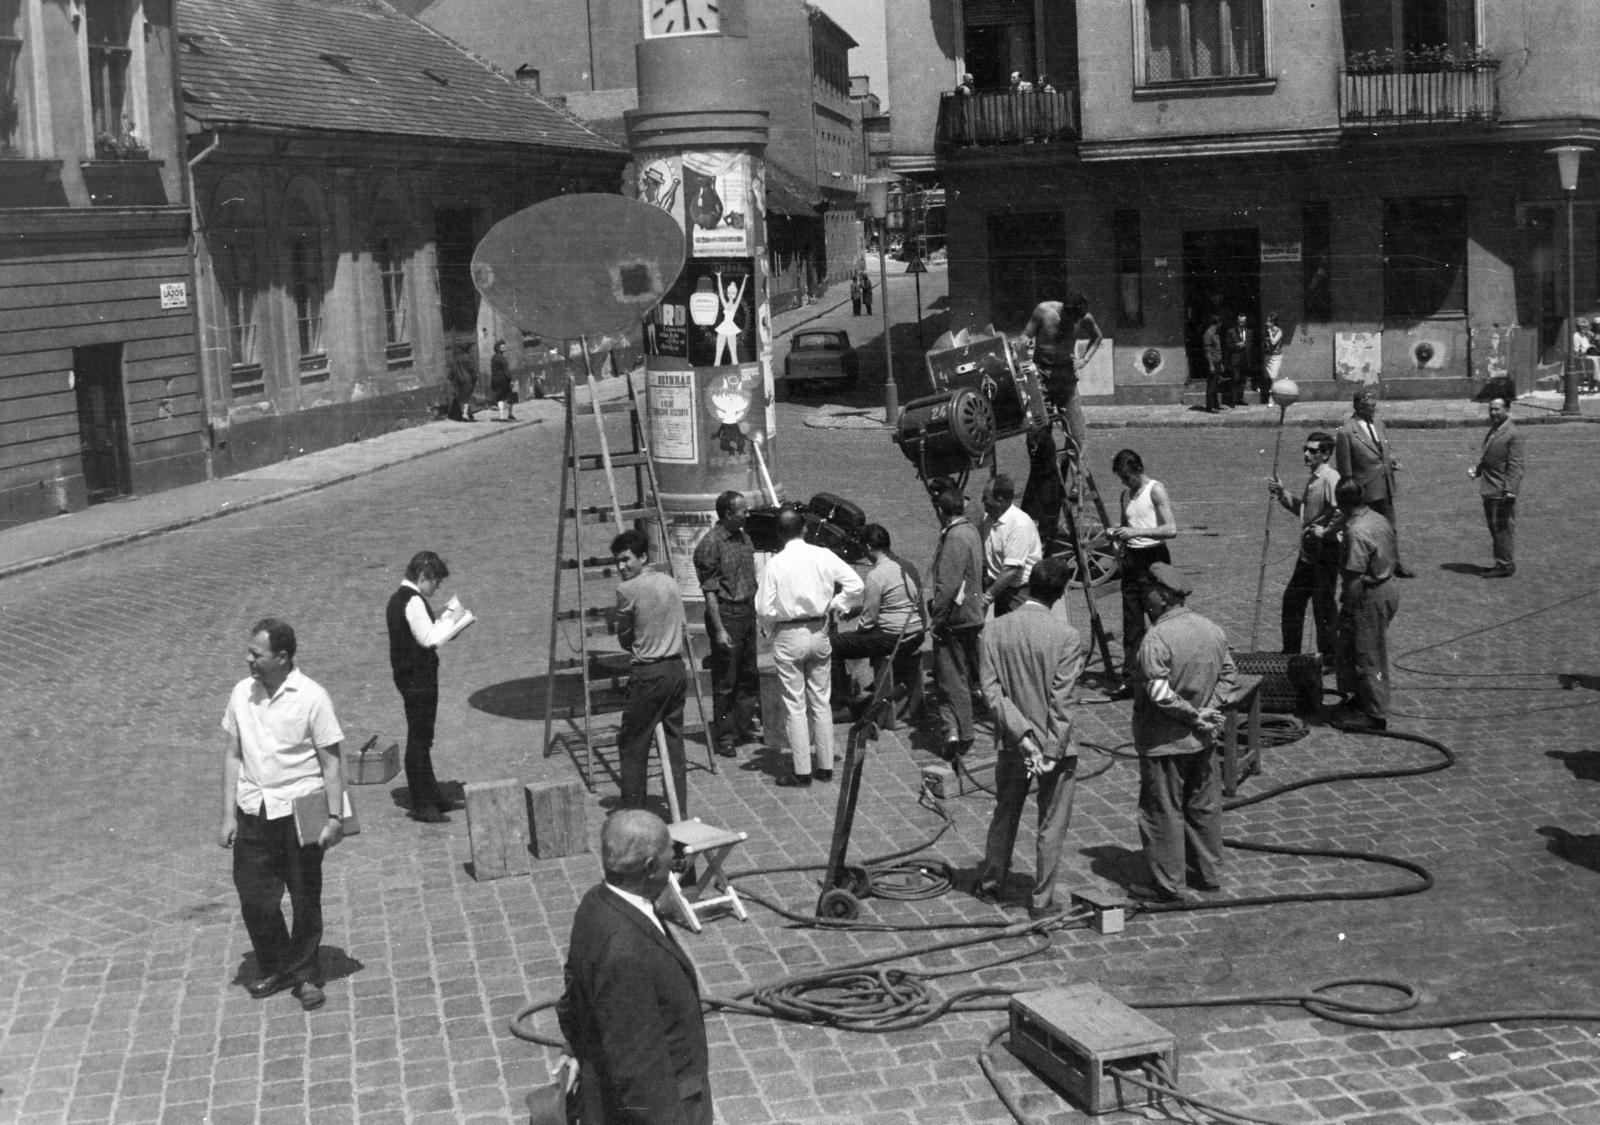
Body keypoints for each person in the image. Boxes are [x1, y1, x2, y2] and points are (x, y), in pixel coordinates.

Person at [555, 810, 712, 1125]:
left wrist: (575, 1045)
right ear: (651, 867)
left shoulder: (593, 905)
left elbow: (575, 992)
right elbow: (640, 1072)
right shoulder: (625, 952)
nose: (677, 859)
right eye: (672, 852)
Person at [219, 618, 345, 1011]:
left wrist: (335, 818)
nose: (248, 659)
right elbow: (233, 755)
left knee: (305, 895)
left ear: (283, 658)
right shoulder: (242, 693)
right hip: (253, 810)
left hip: (300, 809)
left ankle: (306, 973)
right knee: (255, 897)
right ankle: (275, 965)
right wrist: (227, 815)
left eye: (257, 654)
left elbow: (331, 762)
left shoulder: (312, 697)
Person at [974, 558, 1085, 920]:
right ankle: (1041, 900)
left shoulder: (994, 631)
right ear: (1061, 592)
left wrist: (1022, 738)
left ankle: (991, 883)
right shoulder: (1066, 636)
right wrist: (1049, 750)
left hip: (1011, 742)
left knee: (1005, 811)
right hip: (1058, 749)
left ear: (1027, 587)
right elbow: (1062, 700)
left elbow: (991, 694)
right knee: (1051, 823)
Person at [1128, 564, 1236, 903]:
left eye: (1148, 593)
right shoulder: (1212, 630)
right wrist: (1207, 712)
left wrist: (1191, 715)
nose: (1144, 600)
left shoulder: (1155, 639)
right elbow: (1231, 677)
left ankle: (1168, 885)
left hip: (1165, 743)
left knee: (1162, 811)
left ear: (1163, 596)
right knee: (1203, 808)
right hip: (1202, 742)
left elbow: (1158, 693)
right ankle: (1209, 875)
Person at [755, 508, 863, 788]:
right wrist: (835, 606)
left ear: (778, 534)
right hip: (819, 630)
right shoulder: (823, 555)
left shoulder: (775, 564)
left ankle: (802, 770)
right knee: (821, 701)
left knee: (795, 704)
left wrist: (769, 627)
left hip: (790, 633)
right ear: (804, 530)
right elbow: (855, 583)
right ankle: (825, 765)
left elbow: (764, 607)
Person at [612, 529, 691, 814]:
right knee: (674, 745)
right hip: (676, 671)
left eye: (626, 560)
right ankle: (679, 809)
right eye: (618, 562)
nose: (621, 568)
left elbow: (624, 638)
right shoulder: (670, 582)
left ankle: (634, 814)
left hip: (649, 675)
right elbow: (680, 624)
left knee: (633, 746)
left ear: (643, 557)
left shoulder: (626, 590)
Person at [386, 550, 459, 823]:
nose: (437, 587)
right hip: (418, 677)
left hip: (410, 676)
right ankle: (423, 803)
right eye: (436, 581)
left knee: (422, 738)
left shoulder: (399, 599)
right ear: (423, 576)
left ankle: (433, 796)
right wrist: (453, 624)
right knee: (419, 739)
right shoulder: (413, 600)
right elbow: (428, 638)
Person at [829, 524, 925, 712]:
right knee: (863, 637)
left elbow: (868, 622)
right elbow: (895, 603)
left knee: (833, 643)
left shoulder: (876, 575)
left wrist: (856, 633)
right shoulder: (908, 566)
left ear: (869, 548)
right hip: (916, 633)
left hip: (894, 638)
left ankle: (841, 703)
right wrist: (857, 610)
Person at [693, 491, 759, 758]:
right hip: (727, 615)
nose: (747, 514)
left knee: (748, 674)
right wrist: (719, 629)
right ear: (728, 514)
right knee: (726, 680)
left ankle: (742, 727)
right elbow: (709, 592)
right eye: (742, 511)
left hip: (747, 612)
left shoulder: (744, 538)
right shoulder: (710, 544)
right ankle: (724, 735)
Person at [1332, 478, 1399, 732]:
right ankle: (1362, 698)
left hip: (1370, 595)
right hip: (1386, 588)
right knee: (1359, 649)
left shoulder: (1356, 531)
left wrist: (1347, 611)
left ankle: (1375, 715)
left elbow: (1355, 579)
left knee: (1370, 657)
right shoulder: (1376, 517)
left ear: (1341, 503)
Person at [1267, 431, 1341, 664]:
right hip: (1310, 549)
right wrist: (1282, 493)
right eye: (1305, 450)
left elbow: (1343, 510)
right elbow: (1305, 512)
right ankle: (1291, 652)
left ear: (1326, 454)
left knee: (1323, 604)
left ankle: (1329, 657)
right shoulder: (1315, 478)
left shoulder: (1330, 478)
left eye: (1313, 451)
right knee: (1293, 599)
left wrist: (1326, 531)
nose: (1307, 454)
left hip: (1325, 550)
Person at [1106, 449, 1176, 691]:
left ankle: (1168, 672)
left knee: (1160, 617)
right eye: (1121, 478)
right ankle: (1132, 679)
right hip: (1132, 560)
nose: (1125, 482)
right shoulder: (1126, 495)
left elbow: (1170, 529)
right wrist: (1117, 533)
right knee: (1132, 622)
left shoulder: (1155, 489)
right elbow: (1128, 526)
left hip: (1154, 558)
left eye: (1127, 477)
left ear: (1138, 470)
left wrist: (1136, 533)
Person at [928, 488, 986, 758]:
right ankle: (951, 728)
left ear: (941, 511)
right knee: (956, 676)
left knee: (952, 678)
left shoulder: (954, 537)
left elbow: (948, 585)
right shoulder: (972, 530)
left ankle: (963, 733)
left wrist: (936, 617)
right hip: (972, 614)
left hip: (954, 619)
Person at [1336, 389, 1413, 578]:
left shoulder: (1379, 425)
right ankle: (1371, 567)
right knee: (1366, 530)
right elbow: (1345, 470)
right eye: (1371, 406)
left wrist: (1392, 460)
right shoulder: (1347, 432)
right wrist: (1351, 495)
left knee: (1389, 527)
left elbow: (1384, 449)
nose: (1375, 409)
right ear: (1360, 407)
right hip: (1364, 490)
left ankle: (1395, 564)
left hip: (1385, 485)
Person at [1020, 293, 1101, 457]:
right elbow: (1026, 334)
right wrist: (1024, 341)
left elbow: (1097, 337)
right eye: (1073, 319)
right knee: (1037, 435)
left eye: (1079, 319)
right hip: (1040, 376)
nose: (1076, 323)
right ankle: (1042, 478)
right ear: (1064, 310)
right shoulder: (1044, 310)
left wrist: (1084, 360)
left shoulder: (1084, 318)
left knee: (1076, 436)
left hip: (1065, 378)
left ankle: (1073, 476)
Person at [1469, 395, 1524, 579]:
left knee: (1502, 529)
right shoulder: (1495, 430)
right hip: (1490, 488)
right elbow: (1491, 458)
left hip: (1501, 491)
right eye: (1491, 409)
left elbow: (1516, 465)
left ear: (1507, 410)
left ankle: (1505, 565)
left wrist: (1510, 490)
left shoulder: (1512, 434)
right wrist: (1477, 470)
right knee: (1496, 529)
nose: (1493, 412)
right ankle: (1503, 561)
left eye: (1497, 409)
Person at [979, 474, 1043, 618]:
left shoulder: (1018, 524)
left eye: (986, 498)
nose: (982, 501)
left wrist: (986, 599)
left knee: (1015, 633)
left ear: (999, 501)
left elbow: (1010, 570)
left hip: (1019, 593)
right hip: (1001, 588)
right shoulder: (988, 518)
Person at [1224, 312, 1252, 406]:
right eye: (1239, 322)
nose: (1241, 324)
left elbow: (1250, 346)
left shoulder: (1249, 332)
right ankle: (1232, 400)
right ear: (1237, 321)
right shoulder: (1231, 332)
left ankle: (1240, 398)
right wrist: (1236, 345)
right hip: (1235, 359)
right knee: (1235, 379)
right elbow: (1227, 345)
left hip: (1245, 359)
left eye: (1243, 322)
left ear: (1246, 322)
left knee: (1243, 380)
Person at [448, 341, 477, 421]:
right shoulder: (468, 358)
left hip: (459, 380)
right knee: (467, 397)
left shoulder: (457, 358)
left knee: (463, 397)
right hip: (468, 380)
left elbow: (452, 369)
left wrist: (451, 379)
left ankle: (469, 414)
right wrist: (474, 378)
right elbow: (472, 370)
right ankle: (465, 415)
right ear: (468, 349)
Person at [1201, 314, 1224, 413]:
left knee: (1215, 385)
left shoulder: (1216, 334)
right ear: (1217, 323)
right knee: (1211, 385)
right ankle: (1209, 406)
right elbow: (1207, 351)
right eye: (1220, 324)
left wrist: (1221, 363)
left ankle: (1216, 404)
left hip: (1217, 362)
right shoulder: (1208, 334)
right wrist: (1211, 365)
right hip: (1212, 362)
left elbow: (1217, 349)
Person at [489, 338, 516, 422]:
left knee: (500, 398)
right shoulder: (502, 358)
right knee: (511, 396)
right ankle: (510, 414)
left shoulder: (493, 358)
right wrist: (510, 380)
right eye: (502, 347)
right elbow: (506, 371)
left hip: (495, 380)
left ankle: (501, 416)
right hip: (504, 380)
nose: (504, 348)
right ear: (498, 348)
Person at [1262, 312, 1284, 394]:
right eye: (1267, 320)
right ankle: (1268, 397)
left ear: (1273, 322)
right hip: (1268, 356)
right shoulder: (1266, 330)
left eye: (1269, 321)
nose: (1267, 323)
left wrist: (1270, 333)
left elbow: (1274, 342)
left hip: (1276, 357)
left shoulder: (1279, 331)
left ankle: (1273, 399)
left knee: (1273, 377)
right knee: (1268, 377)